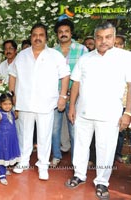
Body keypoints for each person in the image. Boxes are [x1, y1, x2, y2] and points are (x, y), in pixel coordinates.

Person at [65, 22, 131, 200]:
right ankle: (79, 175)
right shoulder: (85, 58)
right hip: (83, 112)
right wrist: (71, 107)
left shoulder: (125, 57)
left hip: (110, 114)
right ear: (95, 38)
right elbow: (76, 83)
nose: (103, 41)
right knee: (80, 146)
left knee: (106, 149)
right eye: (100, 37)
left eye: (108, 37)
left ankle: (102, 181)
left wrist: (128, 113)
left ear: (114, 37)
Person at [9, 23, 70, 180]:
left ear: (46, 37)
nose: (37, 38)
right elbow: (12, 75)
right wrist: (12, 96)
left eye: (41, 35)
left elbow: (65, 75)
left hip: (46, 104)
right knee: (24, 134)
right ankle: (23, 162)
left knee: (44, 136)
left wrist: (63, 97)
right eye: (34, 35)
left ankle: (43, 166)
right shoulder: (22, 55)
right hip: (24, 103)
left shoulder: (55, 55)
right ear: (31, 37)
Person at [51, 19, 88, 167]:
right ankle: (56, 155)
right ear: (57, 35)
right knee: (54, 129)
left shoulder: (82, 50)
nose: (63, 34)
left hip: (75, 96)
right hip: (56, 96)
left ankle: (76, 162)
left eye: (66, 31)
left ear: (71, 33)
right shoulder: (53, 52)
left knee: (75, 131)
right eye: (60, 32)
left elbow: (85, 75)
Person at [0, 92, 21, 185]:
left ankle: (5, 168)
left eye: (10, 104)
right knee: (1, 154)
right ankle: (1, 174)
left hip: (11, 138)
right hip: (2, 139)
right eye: (5, 104)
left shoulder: (11, 112)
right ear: (0, 104)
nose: (7, 106)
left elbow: (15, 117)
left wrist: (17, 109)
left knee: (8, 153)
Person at [114, 34, 127, 163]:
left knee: (120, 131)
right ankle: (94, 158)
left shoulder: (127, 59)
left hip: (123, 103)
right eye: (115, 43)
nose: (117, 46)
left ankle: (117, 154)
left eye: (119, 43)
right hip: (109, 103)